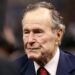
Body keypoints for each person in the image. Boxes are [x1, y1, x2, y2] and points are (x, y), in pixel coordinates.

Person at [15, 1, 75, 75]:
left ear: (58, 35)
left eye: (38, 32)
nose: (30, 40)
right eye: (26, 32)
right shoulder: (11, 70)